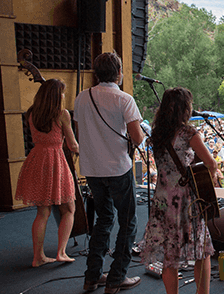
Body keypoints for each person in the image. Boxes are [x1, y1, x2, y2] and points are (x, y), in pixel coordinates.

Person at [76, 53, 144, 293]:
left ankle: (92, 276)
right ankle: (117, 277)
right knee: (127, 222)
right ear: (119, 73)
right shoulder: (124, 99)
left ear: (96, 74)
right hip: (118, 169)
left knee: (103, 220)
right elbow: (137, 138)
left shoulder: (81, 98)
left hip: (92, 170)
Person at [140, 88, 218, 294]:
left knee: (169, 254)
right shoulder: (188, 133)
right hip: (185, 200)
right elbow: (211, 164)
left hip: (162, 198)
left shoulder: (156, 134)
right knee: (202, 250)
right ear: (185, 108)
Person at [14, 79, 79, 267]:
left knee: (42, 212)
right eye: (63, 93)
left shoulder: (31, 113)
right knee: (69, 209)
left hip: (36, 160)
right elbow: (72, 145)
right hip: (55, 161)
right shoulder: (62, 114)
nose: (64, 96)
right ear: (57, 96)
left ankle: (38, 257)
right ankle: (61, 252)